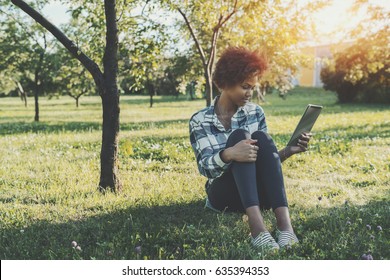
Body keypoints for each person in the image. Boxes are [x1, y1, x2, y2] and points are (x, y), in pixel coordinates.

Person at [189, 46, 312, 251]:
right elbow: (205, 169)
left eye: (252, 87)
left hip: (255, 192)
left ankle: (285, 227)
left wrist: (288, 151)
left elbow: (264, 162)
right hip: (223, 194)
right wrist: (230, 154)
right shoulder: (200, 120)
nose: (249, 93)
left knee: (261, 137)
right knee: (240, 137)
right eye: (245, 86)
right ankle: (258, 230)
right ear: (226, 82)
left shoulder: (256, 112)